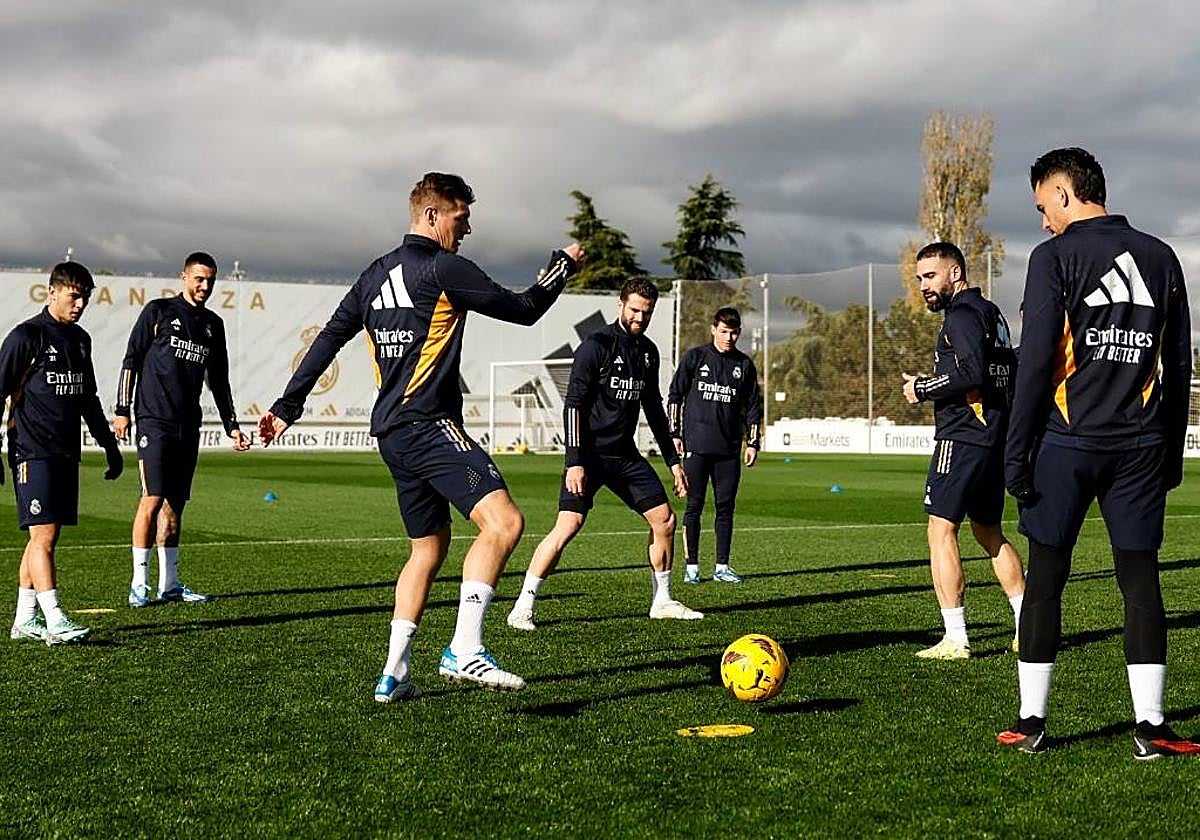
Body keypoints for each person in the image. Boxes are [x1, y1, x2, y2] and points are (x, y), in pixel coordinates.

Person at [258, 172, 583, 701]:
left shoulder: (374, 274)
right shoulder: (443, 267)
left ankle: (394, 673)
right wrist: (562, 266)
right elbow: (524, 310)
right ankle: (464, 648)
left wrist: (285, 407)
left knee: (428, 549)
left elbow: (329, 339)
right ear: (432, 215)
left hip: (391, 433)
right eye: (461, 216)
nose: (468, 227)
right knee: (505, 523)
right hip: (428, 424)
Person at [997, 148, 1196, 758]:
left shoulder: (1054, 256)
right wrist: (1169, 452)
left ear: (1063, 193)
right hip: (1141, 449)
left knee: (1046, 580)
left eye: (1043, 206)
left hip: (1065, 443)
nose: (1043, 221)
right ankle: (1152, 728)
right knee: (1140, 581)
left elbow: (1036, 362)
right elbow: (1179, 363)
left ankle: (1031, 723)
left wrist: (1016, 453)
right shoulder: (1162, 256)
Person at [506, 277, 701, 632]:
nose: (640, 317)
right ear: (620, 305)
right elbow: (573, 406)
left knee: (665, 521)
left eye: (647, 312)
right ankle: (523, 606)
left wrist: (674, 463)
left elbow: (654, 410)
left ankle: (662, 601)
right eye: (634, 310)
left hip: (624, 456)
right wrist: (574, 462)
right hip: (589, 456)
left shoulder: (648, 352)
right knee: (568, 526)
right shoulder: (595, 346)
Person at [901, 241, 1025, 660]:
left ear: (955, 273)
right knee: (988, 532)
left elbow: (971, 373)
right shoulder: (991, 312)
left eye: (930, 276)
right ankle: (1028, 624)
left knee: (940, 530)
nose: (924, 285)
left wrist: (922, 387)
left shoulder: (962, 315)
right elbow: (999, 369)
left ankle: (956, 638)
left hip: (963, 436)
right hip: (993, 437)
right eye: (920, 278)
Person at [113, 252, 251, 607]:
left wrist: (232, 425)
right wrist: (122, 411)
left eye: (210, 280)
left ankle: (170, 584)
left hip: (187, 425)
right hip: (153, 421)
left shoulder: (213, 325)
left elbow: (218, 380)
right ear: (184, 277)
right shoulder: (158, 312)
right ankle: (139, 583)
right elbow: (131, 360)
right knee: (152, 499)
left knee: (175, 507)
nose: (205, 286)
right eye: (199, 279)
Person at [2, 262, 123, 645]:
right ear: (51, 292)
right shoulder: (27, 336)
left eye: (85, 297)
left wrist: (109, 444)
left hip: (66, 451)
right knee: (43, 535)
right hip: (31, 449)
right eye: (74, 295)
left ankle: (24, 619)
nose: (80, 304)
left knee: (43, 537)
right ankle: (55, 619)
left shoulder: (81, 340)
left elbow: (88, 398)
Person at [667, 306, 762, 584]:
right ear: (713, 330)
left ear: (739, 333)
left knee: (725, 508)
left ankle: (722, 567)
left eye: (734, 333)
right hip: (696, 447)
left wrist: (752, 442)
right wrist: (674, 433)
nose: (728, 338)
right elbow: (675, 395)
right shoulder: (696, 357)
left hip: (728, 451)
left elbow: (753, 407)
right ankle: (692, 568)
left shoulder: (744, 365)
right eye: (723, 332)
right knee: (694, 507)